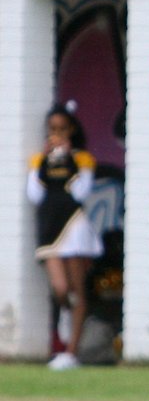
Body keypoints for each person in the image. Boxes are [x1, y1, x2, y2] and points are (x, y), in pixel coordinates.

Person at [26, 101, 103, 370]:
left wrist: (68, 159)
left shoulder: (82, 159)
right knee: (60, 288)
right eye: (52, 129)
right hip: (50, 227)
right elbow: (34, 195)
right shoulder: (39, 160)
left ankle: (71, 353)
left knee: (77, 289)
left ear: (71, 130)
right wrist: (45, 162)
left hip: (74, 226)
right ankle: (66, 313)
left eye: (62, 129)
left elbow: (80, 193)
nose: (57, 134)